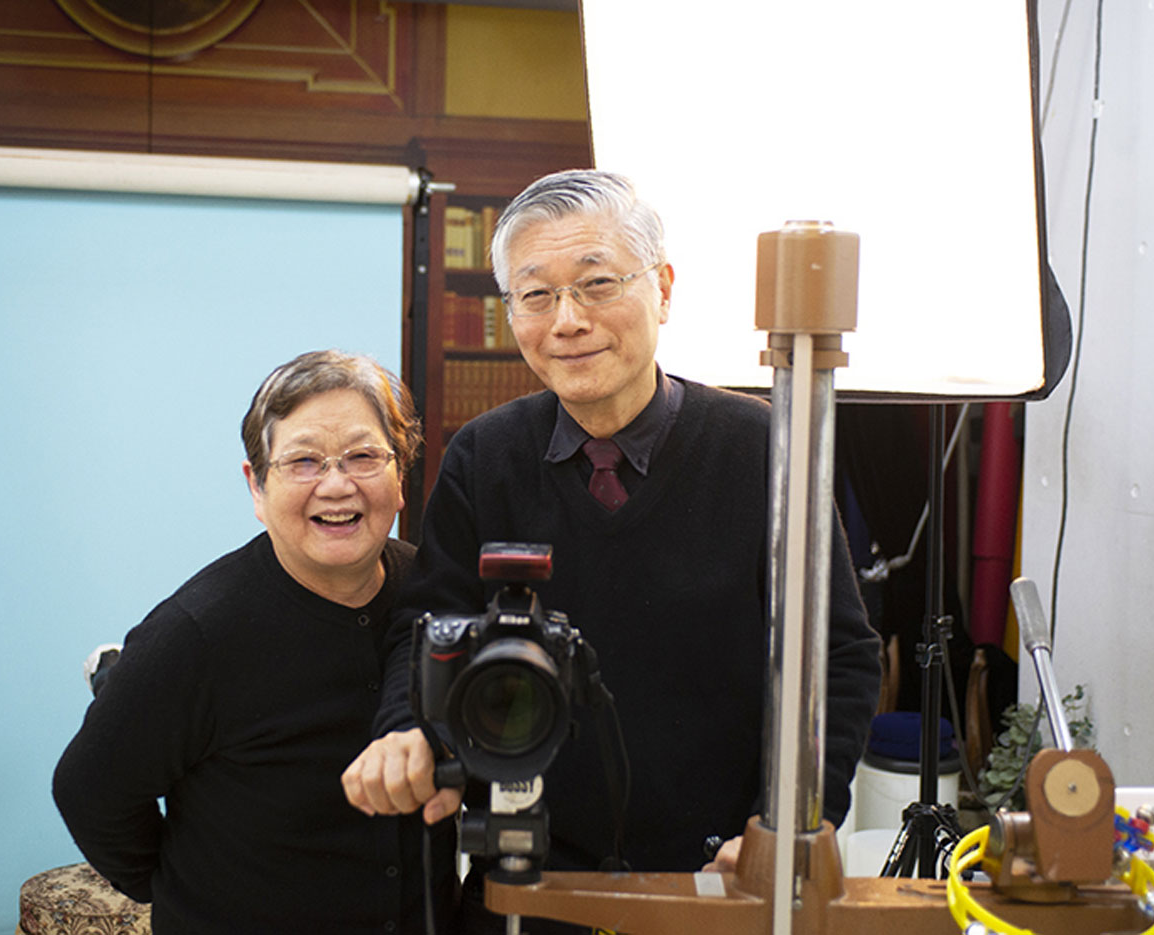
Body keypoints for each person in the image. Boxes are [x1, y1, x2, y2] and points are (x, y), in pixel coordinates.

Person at [341, 170, 882, 932]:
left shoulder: (765, 450)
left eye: (596, 283)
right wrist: (404, 727)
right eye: (535, 295)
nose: (567, 320)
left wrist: (783, 828)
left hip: (717, 884)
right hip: (526, 886)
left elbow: (841, 657)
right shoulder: (483, 456)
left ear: (662, 287)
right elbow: (428, 625)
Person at [53, 350, 457, 935]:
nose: (337, 484)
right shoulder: (194, 634)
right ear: (256, 485)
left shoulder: (432, 594)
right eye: (304, 461)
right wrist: (180, 887)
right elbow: (89, 792)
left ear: (401, 480)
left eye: (364, 457)